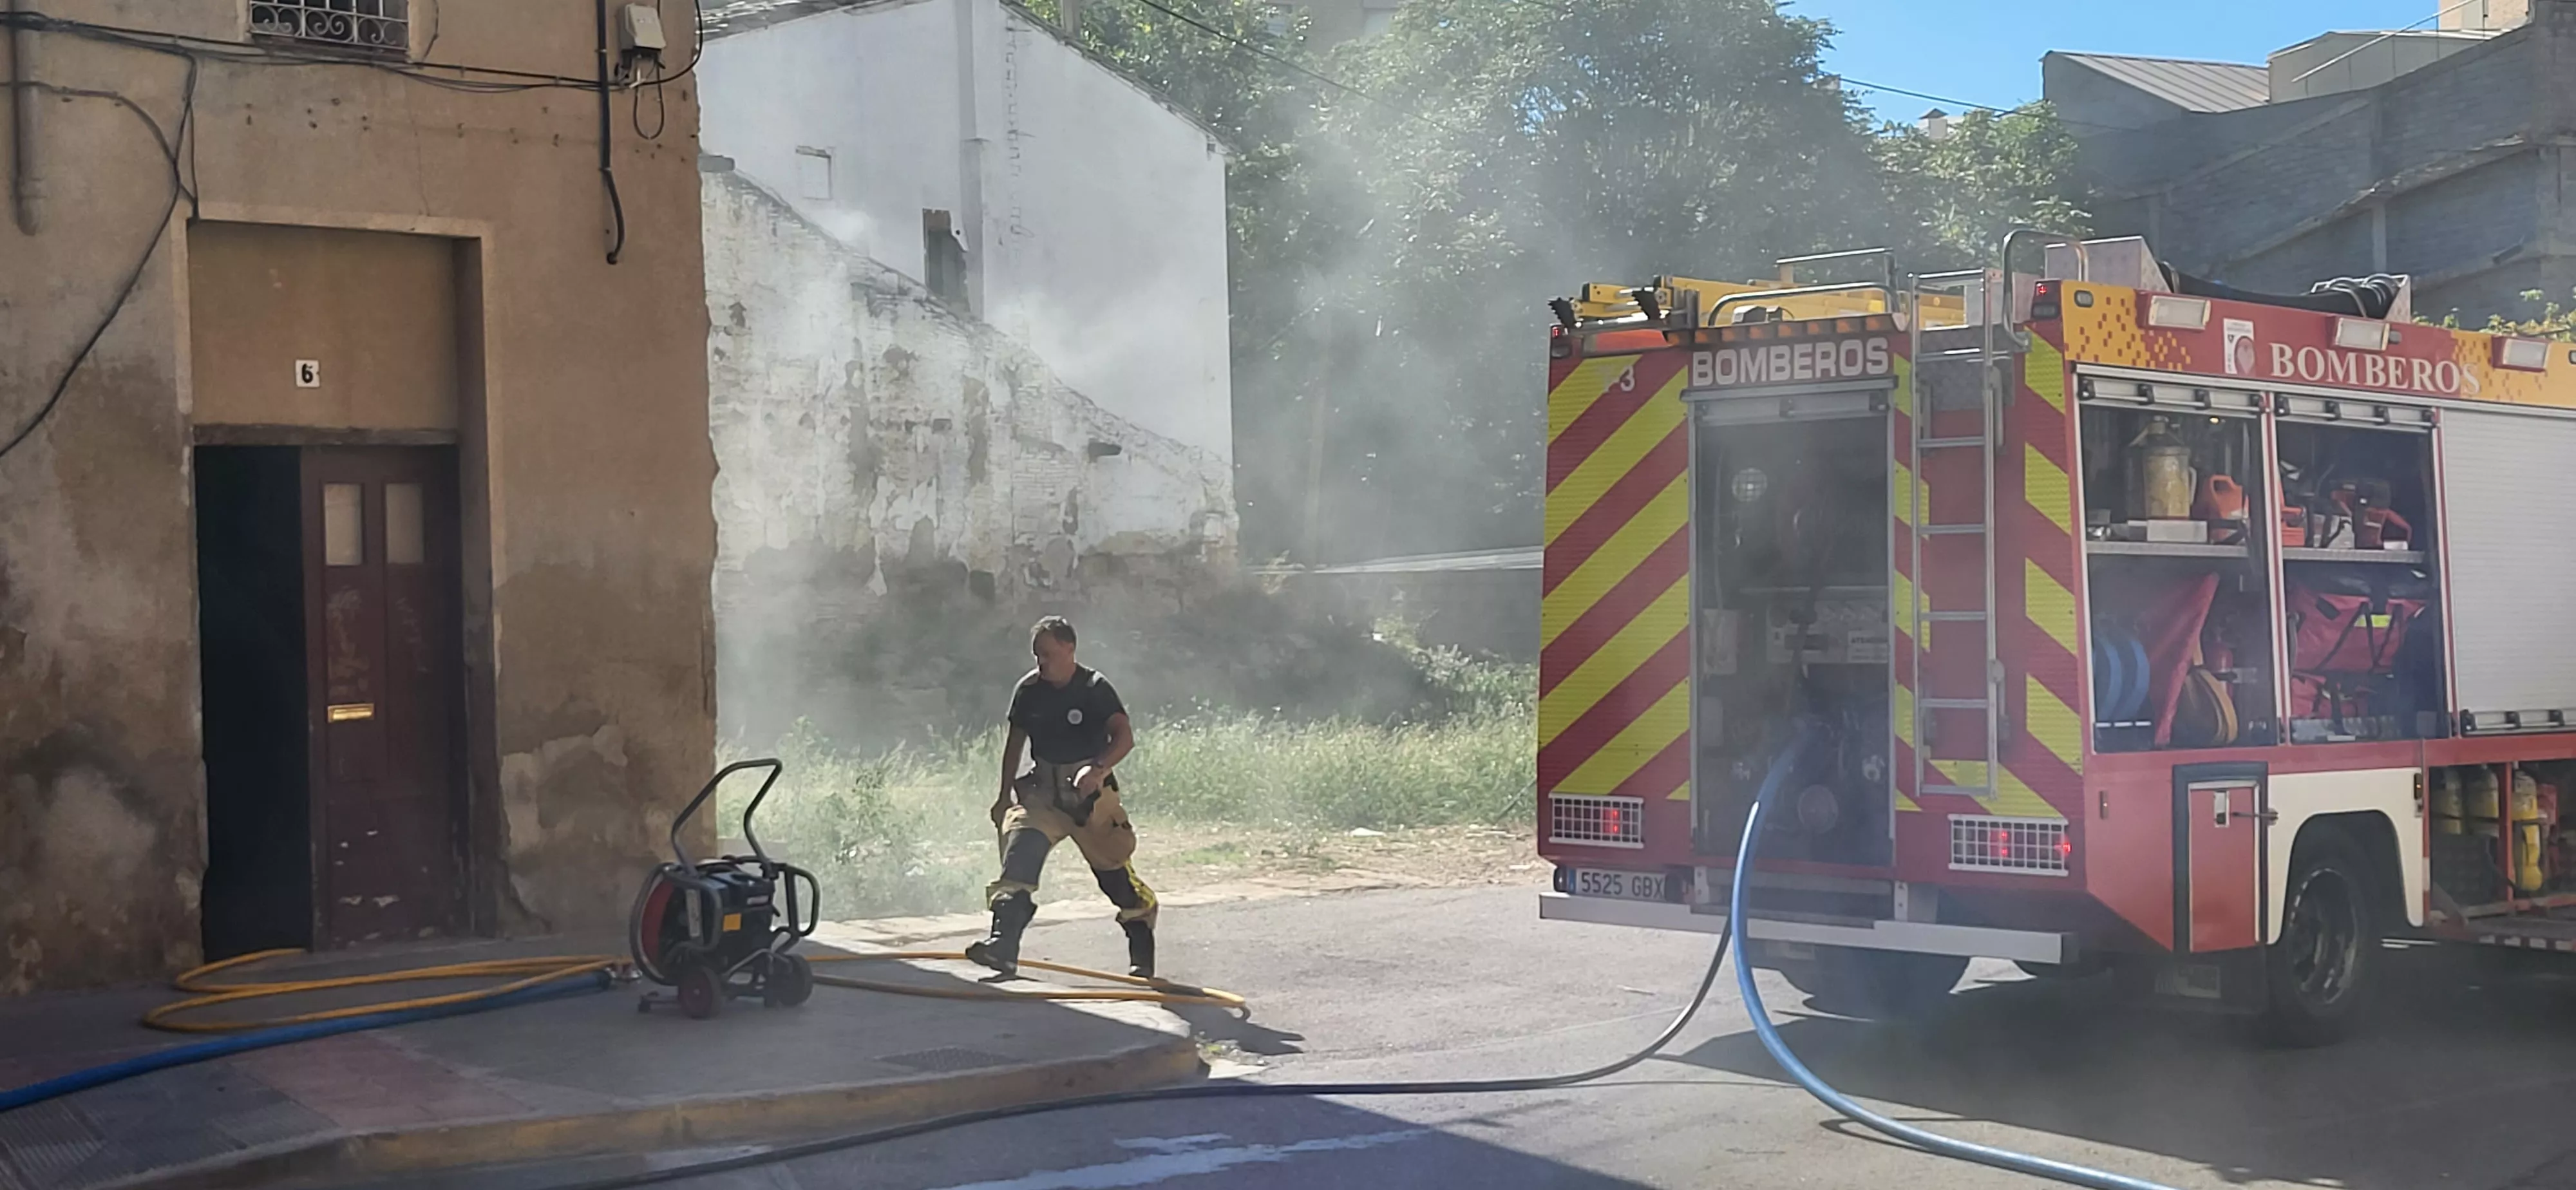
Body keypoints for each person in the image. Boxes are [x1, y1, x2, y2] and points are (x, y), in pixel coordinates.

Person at [965, 616, 1159, 980]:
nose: (1043, 662)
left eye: (1049, 654)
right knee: (1019, 859)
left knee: (1116, 880)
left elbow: (1124, 737)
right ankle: (1002, 947)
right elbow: (1014, 745)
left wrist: (1097, 769)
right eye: (1037, 655)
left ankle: (1142, 941)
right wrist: (1003, 795)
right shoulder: (1029, 690)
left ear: (1070, 649)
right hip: (1044, 795)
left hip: (1090, 798)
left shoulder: (1094, 688)